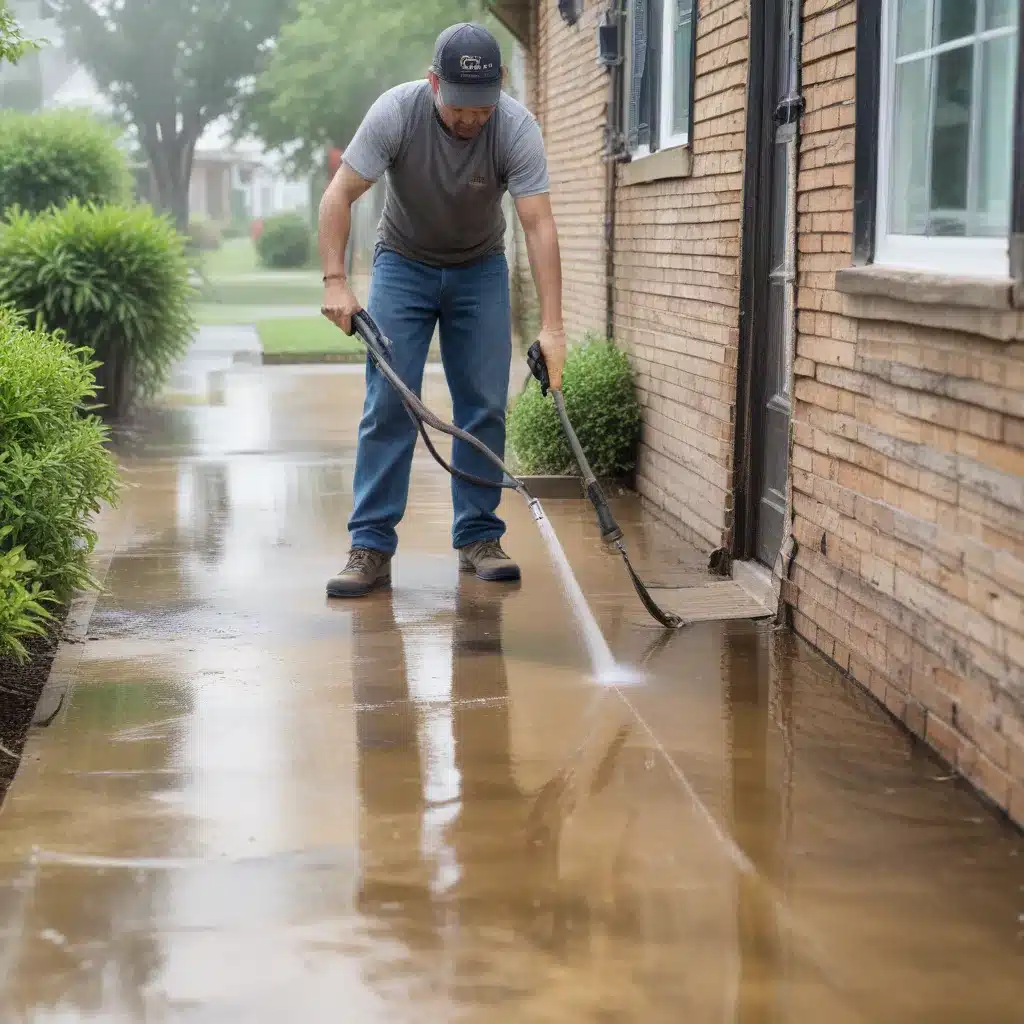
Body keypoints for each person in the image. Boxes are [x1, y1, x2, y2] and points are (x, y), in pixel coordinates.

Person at [318, 21, 567, 598]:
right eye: (460, 106)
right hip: (402, 263)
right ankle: (371, 546)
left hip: (480, 268)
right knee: (389, 402)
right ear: (434, 83)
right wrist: (336, 280)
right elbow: (340, 193)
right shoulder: (396, 113)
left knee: (484, 405)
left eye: (482, 107)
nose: (471, 118)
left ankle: (479, 536)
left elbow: (538, 223)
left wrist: (552, 328)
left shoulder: (515, 126)